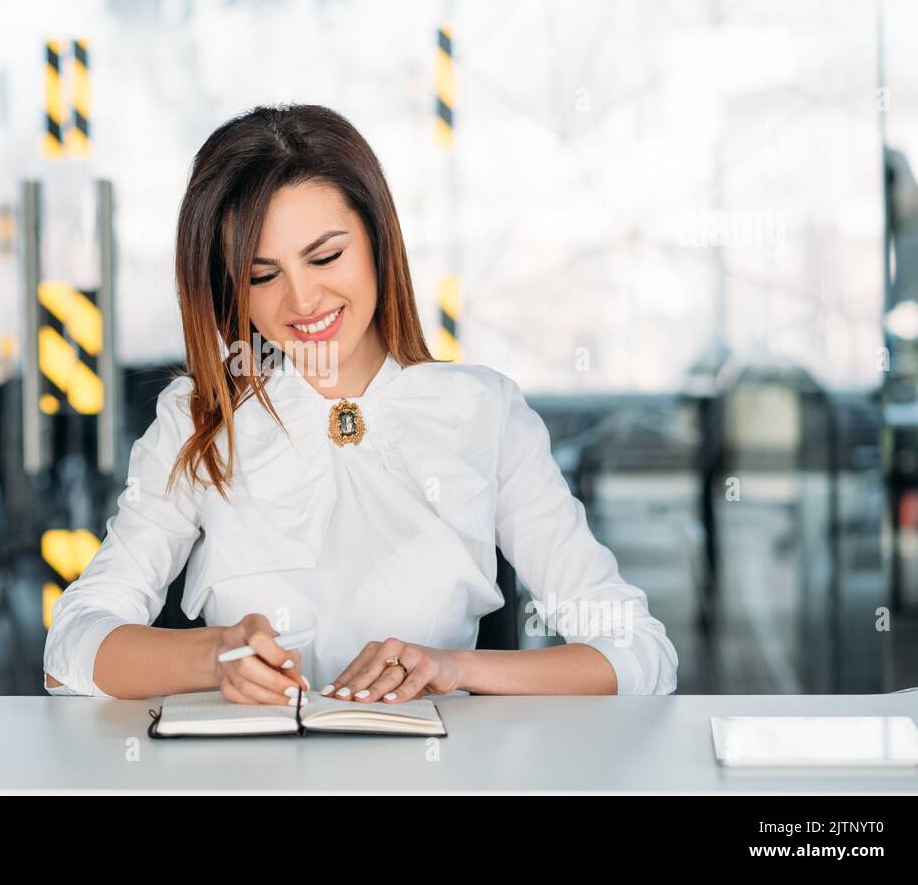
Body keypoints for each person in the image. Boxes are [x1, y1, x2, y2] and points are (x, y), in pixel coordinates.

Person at [43, 103, 678, 704]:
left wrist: (454, 669)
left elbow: (640, 654)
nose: (303, 300)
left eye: (326, 256)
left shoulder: (483, 412)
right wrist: (213, 657)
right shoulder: (199, 419)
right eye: (263, 275)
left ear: (377, 240)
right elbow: (69, 651)